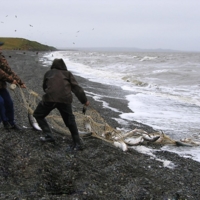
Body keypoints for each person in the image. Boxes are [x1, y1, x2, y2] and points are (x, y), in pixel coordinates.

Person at [33, 58, 89, 150]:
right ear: (64, 66)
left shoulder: (48, 73)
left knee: (38, 115)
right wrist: (84, 101)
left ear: (53, 65)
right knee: (70, 121)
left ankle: (48, 136)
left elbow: (44, 87)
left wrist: (50, 92)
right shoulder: (67, 74)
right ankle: (77, 143)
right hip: (65, 100)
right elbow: (76, 88)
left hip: (49, 99)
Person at [0, 41, 26, 130]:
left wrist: (20, 82)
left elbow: (9, 71)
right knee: (0, 102)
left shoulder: (1, 58)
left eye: (1, 46)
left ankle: (11, 123)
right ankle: (5, 122)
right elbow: (1, 74)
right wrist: (11, 80)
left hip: (1, 87)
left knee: (9, 103)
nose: (1, 48)